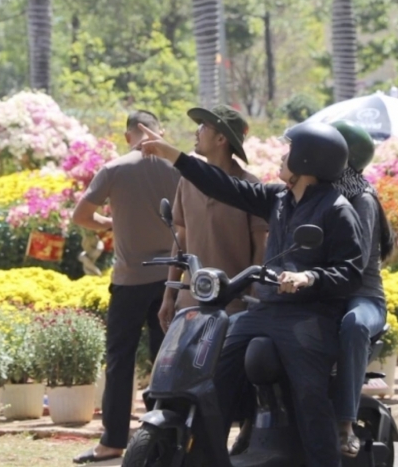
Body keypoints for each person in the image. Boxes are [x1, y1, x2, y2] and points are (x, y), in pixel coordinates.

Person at [139, 121, 366, 467]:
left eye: (289, 150)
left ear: (306, 160)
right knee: (212, 379)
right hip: (266, 310)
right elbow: (224, 186)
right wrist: (172, 154)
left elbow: (350, 271)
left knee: (310, 397)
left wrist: (309, 277)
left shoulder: (337, 210)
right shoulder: (279, 198)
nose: (282, 155)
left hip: (308, 317)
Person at [70, 111, 181, 464]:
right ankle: (167, 434)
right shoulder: (179, 168)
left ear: (127, 135)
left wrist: (107, 222)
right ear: (158, 132)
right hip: (172, 279)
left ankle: (113, 440)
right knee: (167, 359)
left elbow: (80, 215)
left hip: (130, 278)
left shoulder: (115, 169)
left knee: (120, 360)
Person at [159, 105, 269, 330]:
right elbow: (182, 238)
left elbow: (261, 248)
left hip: (233, 307)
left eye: (202, 126)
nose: (196, 133)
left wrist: (253, 298)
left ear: (221, 138)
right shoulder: (187, 181)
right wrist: (169, 295)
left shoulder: (250, 186)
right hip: (190, 303)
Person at [330, 120, 393, 457]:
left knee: (354, 324)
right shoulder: (312, 191)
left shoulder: (361, 198)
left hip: (361, 296)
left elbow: (353, 264)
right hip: (323, 292)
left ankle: (345, 424)